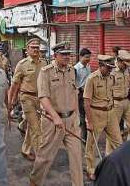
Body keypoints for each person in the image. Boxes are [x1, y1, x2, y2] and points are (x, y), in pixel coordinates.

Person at [30, 41, 83, 186]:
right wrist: (55, 117)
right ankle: (35, 182)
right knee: (45, 157)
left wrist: (77, 117)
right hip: (53, 122)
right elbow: (43, 97)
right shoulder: (45, 72)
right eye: (63, 54)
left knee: (77, 157)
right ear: (55, 55)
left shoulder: (72, 70)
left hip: (71, 121)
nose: (67, 57)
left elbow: (74, 94)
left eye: (68, 54)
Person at [8, 38, 47, 161]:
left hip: (40, 98)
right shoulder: (22, 64)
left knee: (32, 125)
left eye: (37, 47)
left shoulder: (44, 63)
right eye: (33, 47)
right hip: (26, 98)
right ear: (27, 49)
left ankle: (25, 149)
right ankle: (40, 156)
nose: (35, 49)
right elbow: (14, 84)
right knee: (36, 128)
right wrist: (11, 101)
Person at [83, 54, 120, 181]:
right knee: (92, 144)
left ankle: (118, 167)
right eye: (108, 68)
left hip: (110, 113)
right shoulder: (91, 79)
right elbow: (86, 102)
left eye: (111, 68)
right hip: (96, 113)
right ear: (100, 66)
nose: (110, 70)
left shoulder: (111, 77)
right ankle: (90, 169)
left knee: (118, 142)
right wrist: (89, 120)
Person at [108, 49, 130, 152]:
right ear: (119, 61)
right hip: (115, 102)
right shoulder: (111, 71)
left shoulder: (126, 70)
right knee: (113, 130)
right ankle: (110, 155)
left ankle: (128, 151)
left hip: (126, 101)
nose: (126, 66)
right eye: (125, 64)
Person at [74, 48, 92, 141]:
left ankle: (88, 136)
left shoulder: (88, 67)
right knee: (82, 115)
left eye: (89, 57)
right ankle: (83, 137)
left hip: (89, 94)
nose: (88, 59)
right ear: (80, 57)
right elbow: (74, 84)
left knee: (89, 114)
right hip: (80, 94)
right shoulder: (76, 69)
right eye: (86, 57)